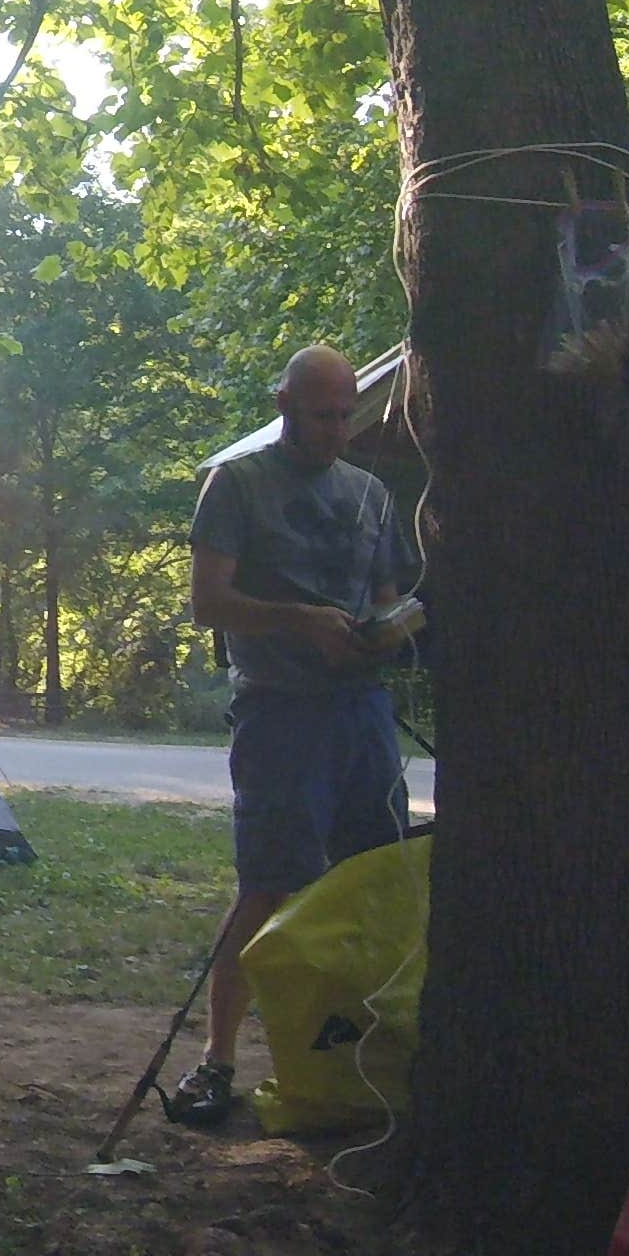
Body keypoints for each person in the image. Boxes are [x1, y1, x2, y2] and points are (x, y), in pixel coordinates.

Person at [173, 344, 420, 1127]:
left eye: (348, 415)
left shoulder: (372, 494)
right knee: (271, 882)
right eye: (323, 415)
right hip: (280, 711)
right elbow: (208, 602)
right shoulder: (237, 485)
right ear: (284, 405)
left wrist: (388, 632)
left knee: (376, 881)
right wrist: (299, 622)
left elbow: (385, 596)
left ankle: (361, 1061)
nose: (339, 430)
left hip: (363, 712)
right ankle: (216, 1060)